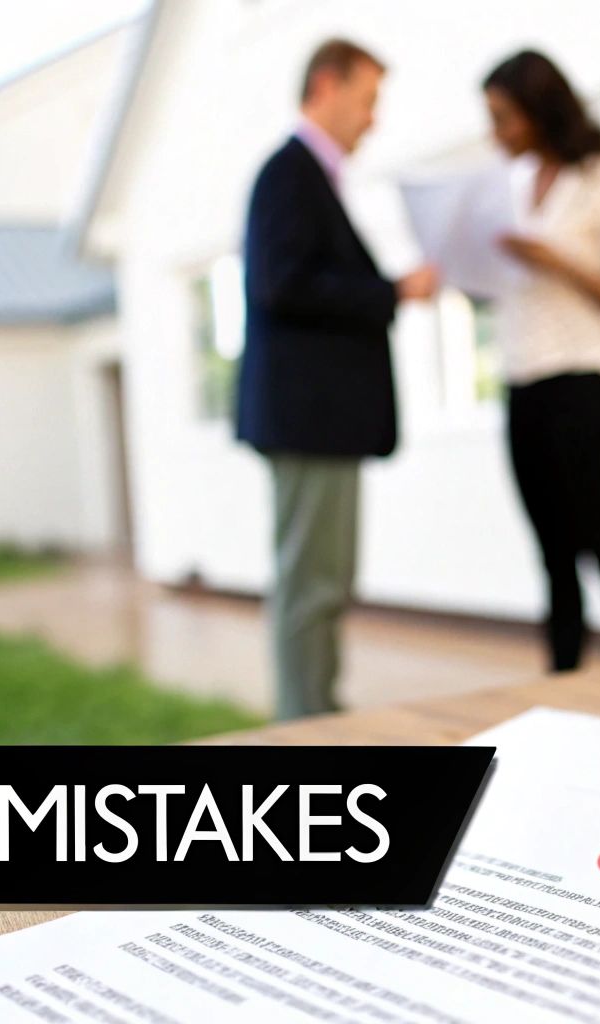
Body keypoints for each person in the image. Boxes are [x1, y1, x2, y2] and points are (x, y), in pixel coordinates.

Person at [239, 39, 440, 719]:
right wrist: (388, 292)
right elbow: (283, 285)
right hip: (308, 419)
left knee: (327, 582)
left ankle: (318, 715)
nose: (373, 120)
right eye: (368, 100)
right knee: (310, 585)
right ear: (327, 86)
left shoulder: (310, 178)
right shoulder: (288, 174)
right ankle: (302, 733)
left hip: (322, 421)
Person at [482, 49, 600, 673]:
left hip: (584, 381)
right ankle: (560, 693)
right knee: (553, 555)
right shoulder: (512, 189)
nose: (494, 132)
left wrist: (554, 261)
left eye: (503, 117)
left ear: (536, 111)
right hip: (523, 382)